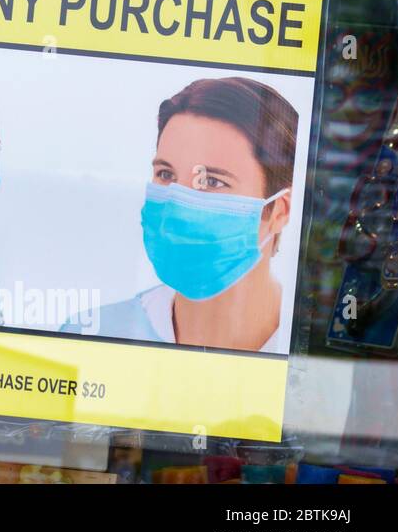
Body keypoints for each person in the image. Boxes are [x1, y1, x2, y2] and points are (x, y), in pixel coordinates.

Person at [63, 76, 297, 353]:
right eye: (166, 174)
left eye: (211, 181)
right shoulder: (93, 336)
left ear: (279, 210)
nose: (178, 204)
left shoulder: (310, 356)